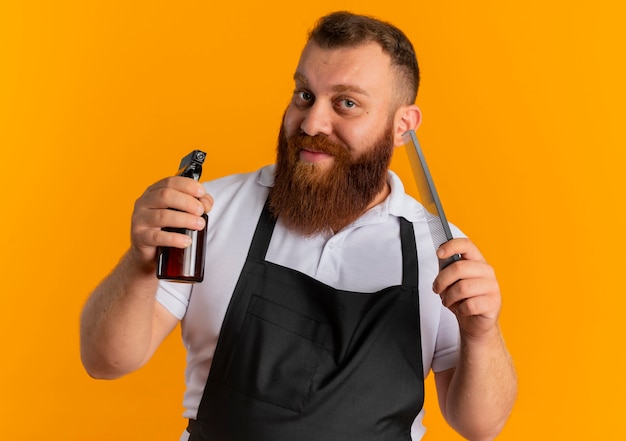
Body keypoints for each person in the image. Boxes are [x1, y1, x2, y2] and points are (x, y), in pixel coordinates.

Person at [80, 11, 517, 441]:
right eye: (304, 95)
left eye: (346, 103)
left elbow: (480, 426)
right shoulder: (209, 210)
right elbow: (106, 361)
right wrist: (139, 261)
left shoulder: (440, 251)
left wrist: (482, 332)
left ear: (402, 125)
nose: (311, 123)